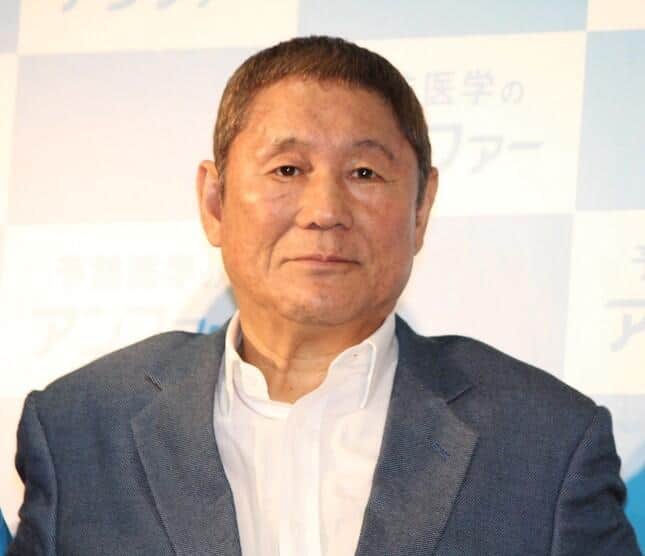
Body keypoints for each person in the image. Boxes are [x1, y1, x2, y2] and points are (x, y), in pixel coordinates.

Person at [8, 36, 641, 556]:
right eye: (287, 169)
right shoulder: (79, 430)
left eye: (365, 173)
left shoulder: (547, 442)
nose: (324, 210)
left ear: (421, 209)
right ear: (215, 201)